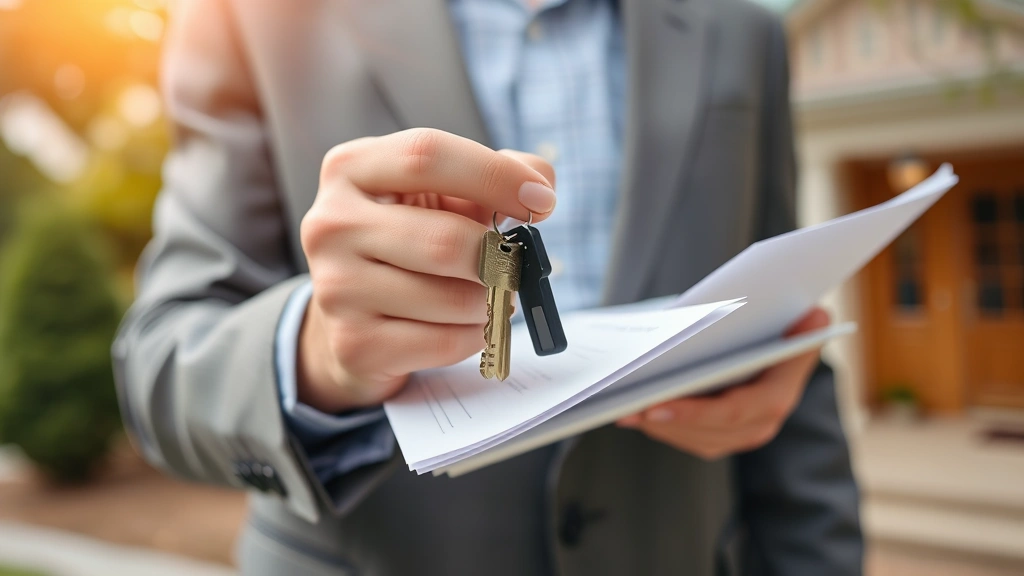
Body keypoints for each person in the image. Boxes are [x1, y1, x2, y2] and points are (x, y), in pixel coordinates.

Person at [113, 0, 863, 574]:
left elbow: (787, 319)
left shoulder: (743, 26)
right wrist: (317, 350)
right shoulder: (250, 14)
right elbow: (161, 363)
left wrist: (776, 364)